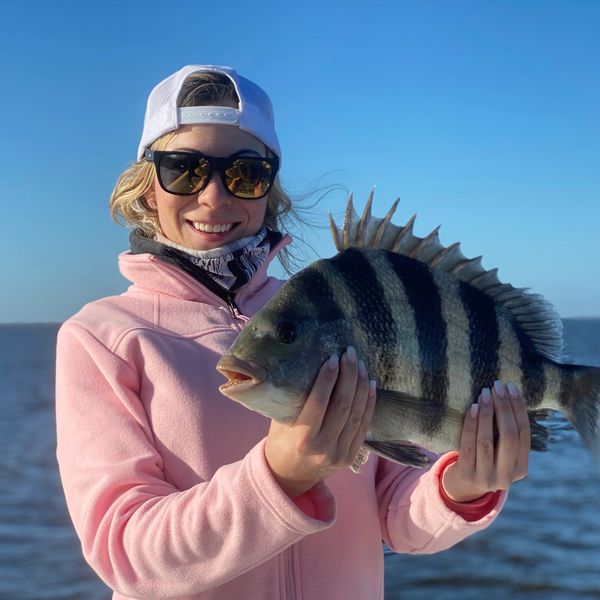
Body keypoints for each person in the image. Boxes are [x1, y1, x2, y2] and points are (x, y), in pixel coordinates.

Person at [55, 64, 531, 600]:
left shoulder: (325, 313)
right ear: (147, 189)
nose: (213, 195)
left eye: (244, 173)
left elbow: (396, 516)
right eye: (184, 170)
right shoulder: (103, 337)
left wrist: (462, 487)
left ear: (269, 189)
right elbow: (126, 554)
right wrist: (282, 473)